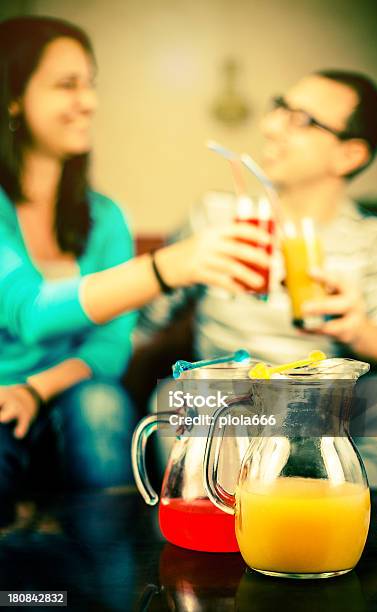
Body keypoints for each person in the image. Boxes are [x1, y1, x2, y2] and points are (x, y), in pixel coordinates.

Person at [0, 15, 272, 526]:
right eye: (66, 84)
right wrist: (168, 266)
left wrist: (37, 390)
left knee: (101, 405)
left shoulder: (105, 218)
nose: (89, 101)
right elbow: (29, 310)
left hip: (69, 389)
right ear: (13, 97)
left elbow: (109, 347)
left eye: (90, 84)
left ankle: (111, 578)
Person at [137, 70, 377, 488]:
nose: (270, 126)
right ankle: (217, 527)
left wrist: (360, 330)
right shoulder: (217, 218)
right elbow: (143, 323)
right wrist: (177, 265)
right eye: (278, 107)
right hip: (232, 406)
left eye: (301, 119)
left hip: (324, 410)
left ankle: (358, 525)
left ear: (349, 156)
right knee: (177, 397)